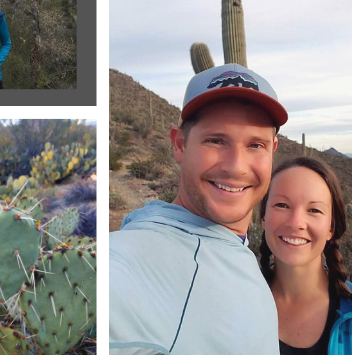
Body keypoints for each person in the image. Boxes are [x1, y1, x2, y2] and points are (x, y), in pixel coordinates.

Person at [110, 63, 286, 354]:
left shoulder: (231, 248)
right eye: (216, 141)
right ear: (180, 144)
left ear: (273, 150)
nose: (236, 167)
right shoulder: (122, 262)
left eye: (255, 145)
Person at [259, 157, 352, 355]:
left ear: (331, 228)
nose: (296, 223)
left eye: (314, 210)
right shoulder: (230, 300)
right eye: (282, 205)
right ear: (263, 217)